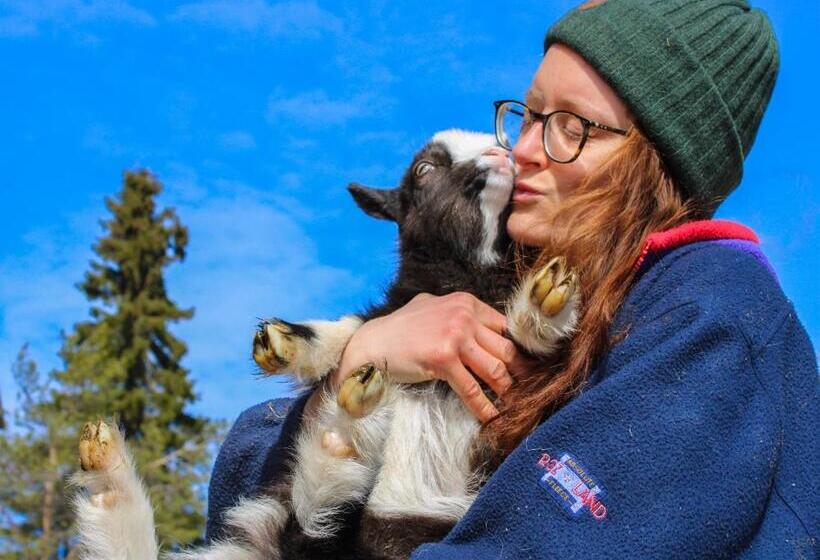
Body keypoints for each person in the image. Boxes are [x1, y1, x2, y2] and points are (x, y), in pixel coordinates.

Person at [207, 0, 818, 557]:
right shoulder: (548, 302)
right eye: (530, 114)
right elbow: (245, 472)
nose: (522, 149)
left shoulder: (710, 317)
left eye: (572, 126)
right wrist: (365, 357)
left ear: (655, 162)